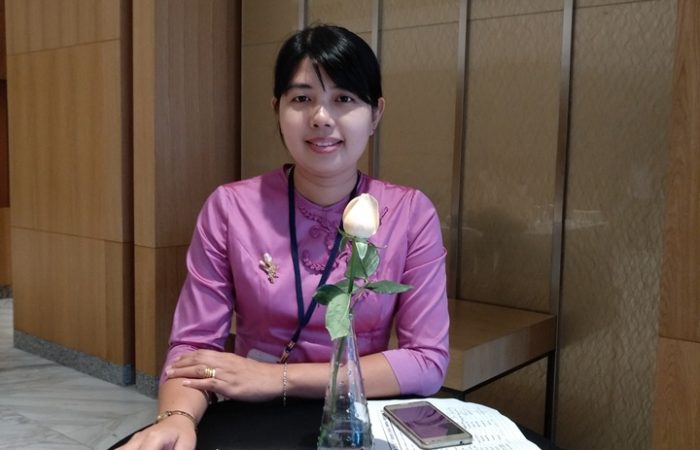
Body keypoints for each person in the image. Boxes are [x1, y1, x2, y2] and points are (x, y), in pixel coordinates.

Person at [117, 24, 449, 450]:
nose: (321, 117)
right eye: (302, 99)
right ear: (277, 109)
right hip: (253, 417)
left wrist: (277, 378)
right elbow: (194, 345)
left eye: (344, 99)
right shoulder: (232, 208)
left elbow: (427, 361)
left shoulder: (409, 213)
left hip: (355, 419)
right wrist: (177, 418)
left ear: (375, 115)